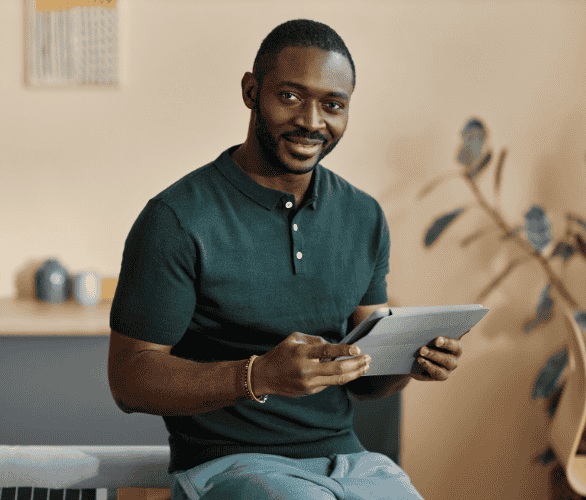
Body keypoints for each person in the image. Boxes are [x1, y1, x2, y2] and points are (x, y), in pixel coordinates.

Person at [107, 19, 463, 500]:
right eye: (291, 97)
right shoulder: (177, 219)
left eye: (333, 105)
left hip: (351, 462)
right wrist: (259, 374)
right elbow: (130, 380)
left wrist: (408, 363)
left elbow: (365, 379)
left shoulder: (363, 216)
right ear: (251, 91)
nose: (313, 122)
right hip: (229, 464)